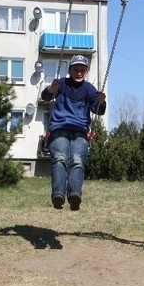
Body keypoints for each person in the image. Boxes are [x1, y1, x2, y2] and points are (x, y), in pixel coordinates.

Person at [41, 54, 106, 211]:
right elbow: (46, 97)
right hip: (59, 128)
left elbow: (98, 110)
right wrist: (51, 89)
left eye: (82, 70)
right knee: (60, 158)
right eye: (75, 69)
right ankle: (58, 194)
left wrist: (101, 102)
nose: (78, 73)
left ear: (87, 71)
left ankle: (75, 195)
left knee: (77, 160)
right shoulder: (61, 84)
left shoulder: (89, 89)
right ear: (70, 70)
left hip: (80, 131)